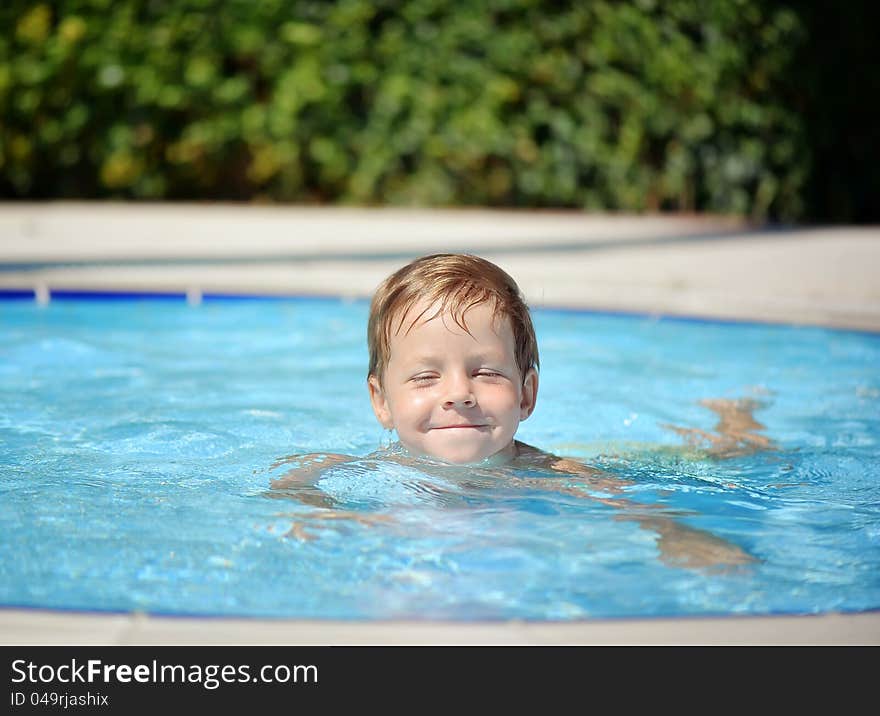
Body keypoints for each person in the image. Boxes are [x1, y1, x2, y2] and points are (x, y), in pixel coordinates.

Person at [269, 254, 774, 569]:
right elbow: (291, 480)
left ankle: (737, 420)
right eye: (426, 376)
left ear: (526, 395)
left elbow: (639, 507)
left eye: (485, 372)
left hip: (615, 461)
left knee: (726, 458)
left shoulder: (554, 475)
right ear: (381, 401)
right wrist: (319, 514)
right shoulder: (374, 468)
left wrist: (678, 535)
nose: (458, 393)